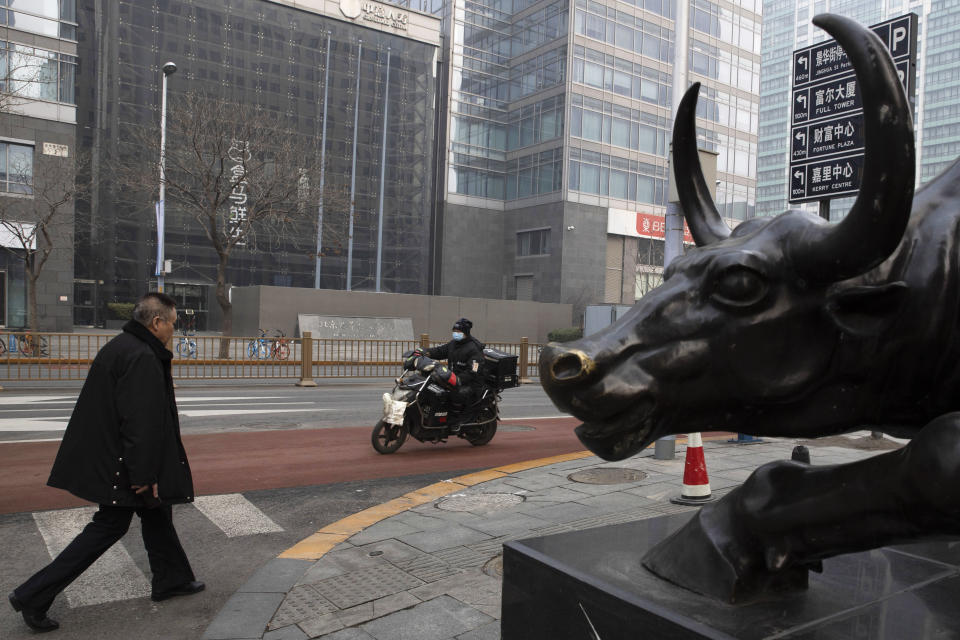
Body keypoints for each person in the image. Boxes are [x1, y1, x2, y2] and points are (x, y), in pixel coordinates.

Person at [8, 292, 203, 633]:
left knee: (156, 512)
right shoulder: (142, 356)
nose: (175, 329)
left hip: (113, 455)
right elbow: (140, 422)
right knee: (109, 526)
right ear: (157, 323)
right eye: (173, 323)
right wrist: (142, 474)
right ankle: (33, 594)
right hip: (121, 463)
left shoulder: (124, 346)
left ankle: (171, 580)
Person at [419, 318, 485, 417]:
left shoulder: (475, 348)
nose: (455, 333)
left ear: (465, 332)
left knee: (453, 394)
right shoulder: (454, 344)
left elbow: (473, 371)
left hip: (470, 383)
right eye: (454, 331)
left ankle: (456, 419)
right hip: (452, 378)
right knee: (431, 387)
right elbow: (440, 351)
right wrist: (424, 352)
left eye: (458, 331)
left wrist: (457, 379)